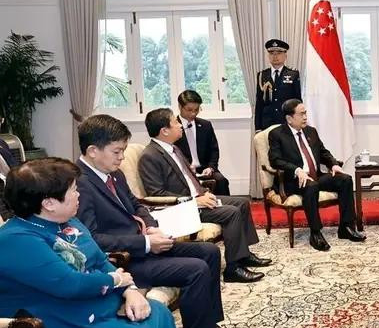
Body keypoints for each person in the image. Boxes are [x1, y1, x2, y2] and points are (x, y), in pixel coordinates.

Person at [0, 158, 201, 328]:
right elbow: (69, 284)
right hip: (60, 322)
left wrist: (130, 291)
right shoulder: (15, 239)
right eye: (73, 190)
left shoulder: (69, 221)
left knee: (159, 314)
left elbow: (100, 260)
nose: (78, 195)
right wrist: (116, 279)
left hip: (94, 303)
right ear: (48, 203)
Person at [75, 114, 241, 328]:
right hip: (125, 261)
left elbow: (137, 205)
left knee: (208, 252)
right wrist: (145, 243)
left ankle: (208, 327)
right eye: (117, 152)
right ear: (93, 151)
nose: (121, 158)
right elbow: (92, 237)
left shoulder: (113, 174)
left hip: (145, 244)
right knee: (196, 269)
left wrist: (151, 225)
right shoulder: (81, 185)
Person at [138, 108, 270, 283]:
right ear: (164, 131)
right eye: (176, 122)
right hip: (181, 209)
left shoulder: (174, 149)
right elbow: (156, 194)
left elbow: (188, 178)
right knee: (231, 212)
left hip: (197, 199)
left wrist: (204, 193)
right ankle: (233, 269)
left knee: (242, 203)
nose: (180, 125)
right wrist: (195, 200)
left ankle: (243, 255)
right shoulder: (150, 156)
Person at [267, 99, 365, 251]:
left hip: (316, 176)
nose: (305, 117)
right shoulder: (277, 134)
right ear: (289, 118)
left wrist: (333, 164)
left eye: (305, 113)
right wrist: (296, 170)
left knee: (345, 180)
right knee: (311, 186)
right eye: (301, 114)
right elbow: (275, 160)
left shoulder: (310, 131)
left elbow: (323, 152)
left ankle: (346, 227)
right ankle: (316, 233)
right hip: (294, 181)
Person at [174, 89, 230, 195]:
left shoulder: (205, 125)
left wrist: (211, 167)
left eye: (196, 109)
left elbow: (214, 150)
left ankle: (225, 209)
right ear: (180, 107)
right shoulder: (173, 127)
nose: (193, 113)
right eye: (189, 110)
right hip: (184, 171)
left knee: (222, 181)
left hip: (205, 169)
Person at [255, 39, 301, 132]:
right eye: (272, 53)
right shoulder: (262, 75)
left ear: (285, 55)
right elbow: (259, 103)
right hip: (267, 124)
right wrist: (258, 128)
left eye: (279, 53)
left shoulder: (293, 74)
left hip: (286, 122)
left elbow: (297, 101)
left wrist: (297, 123)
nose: (275, 56)